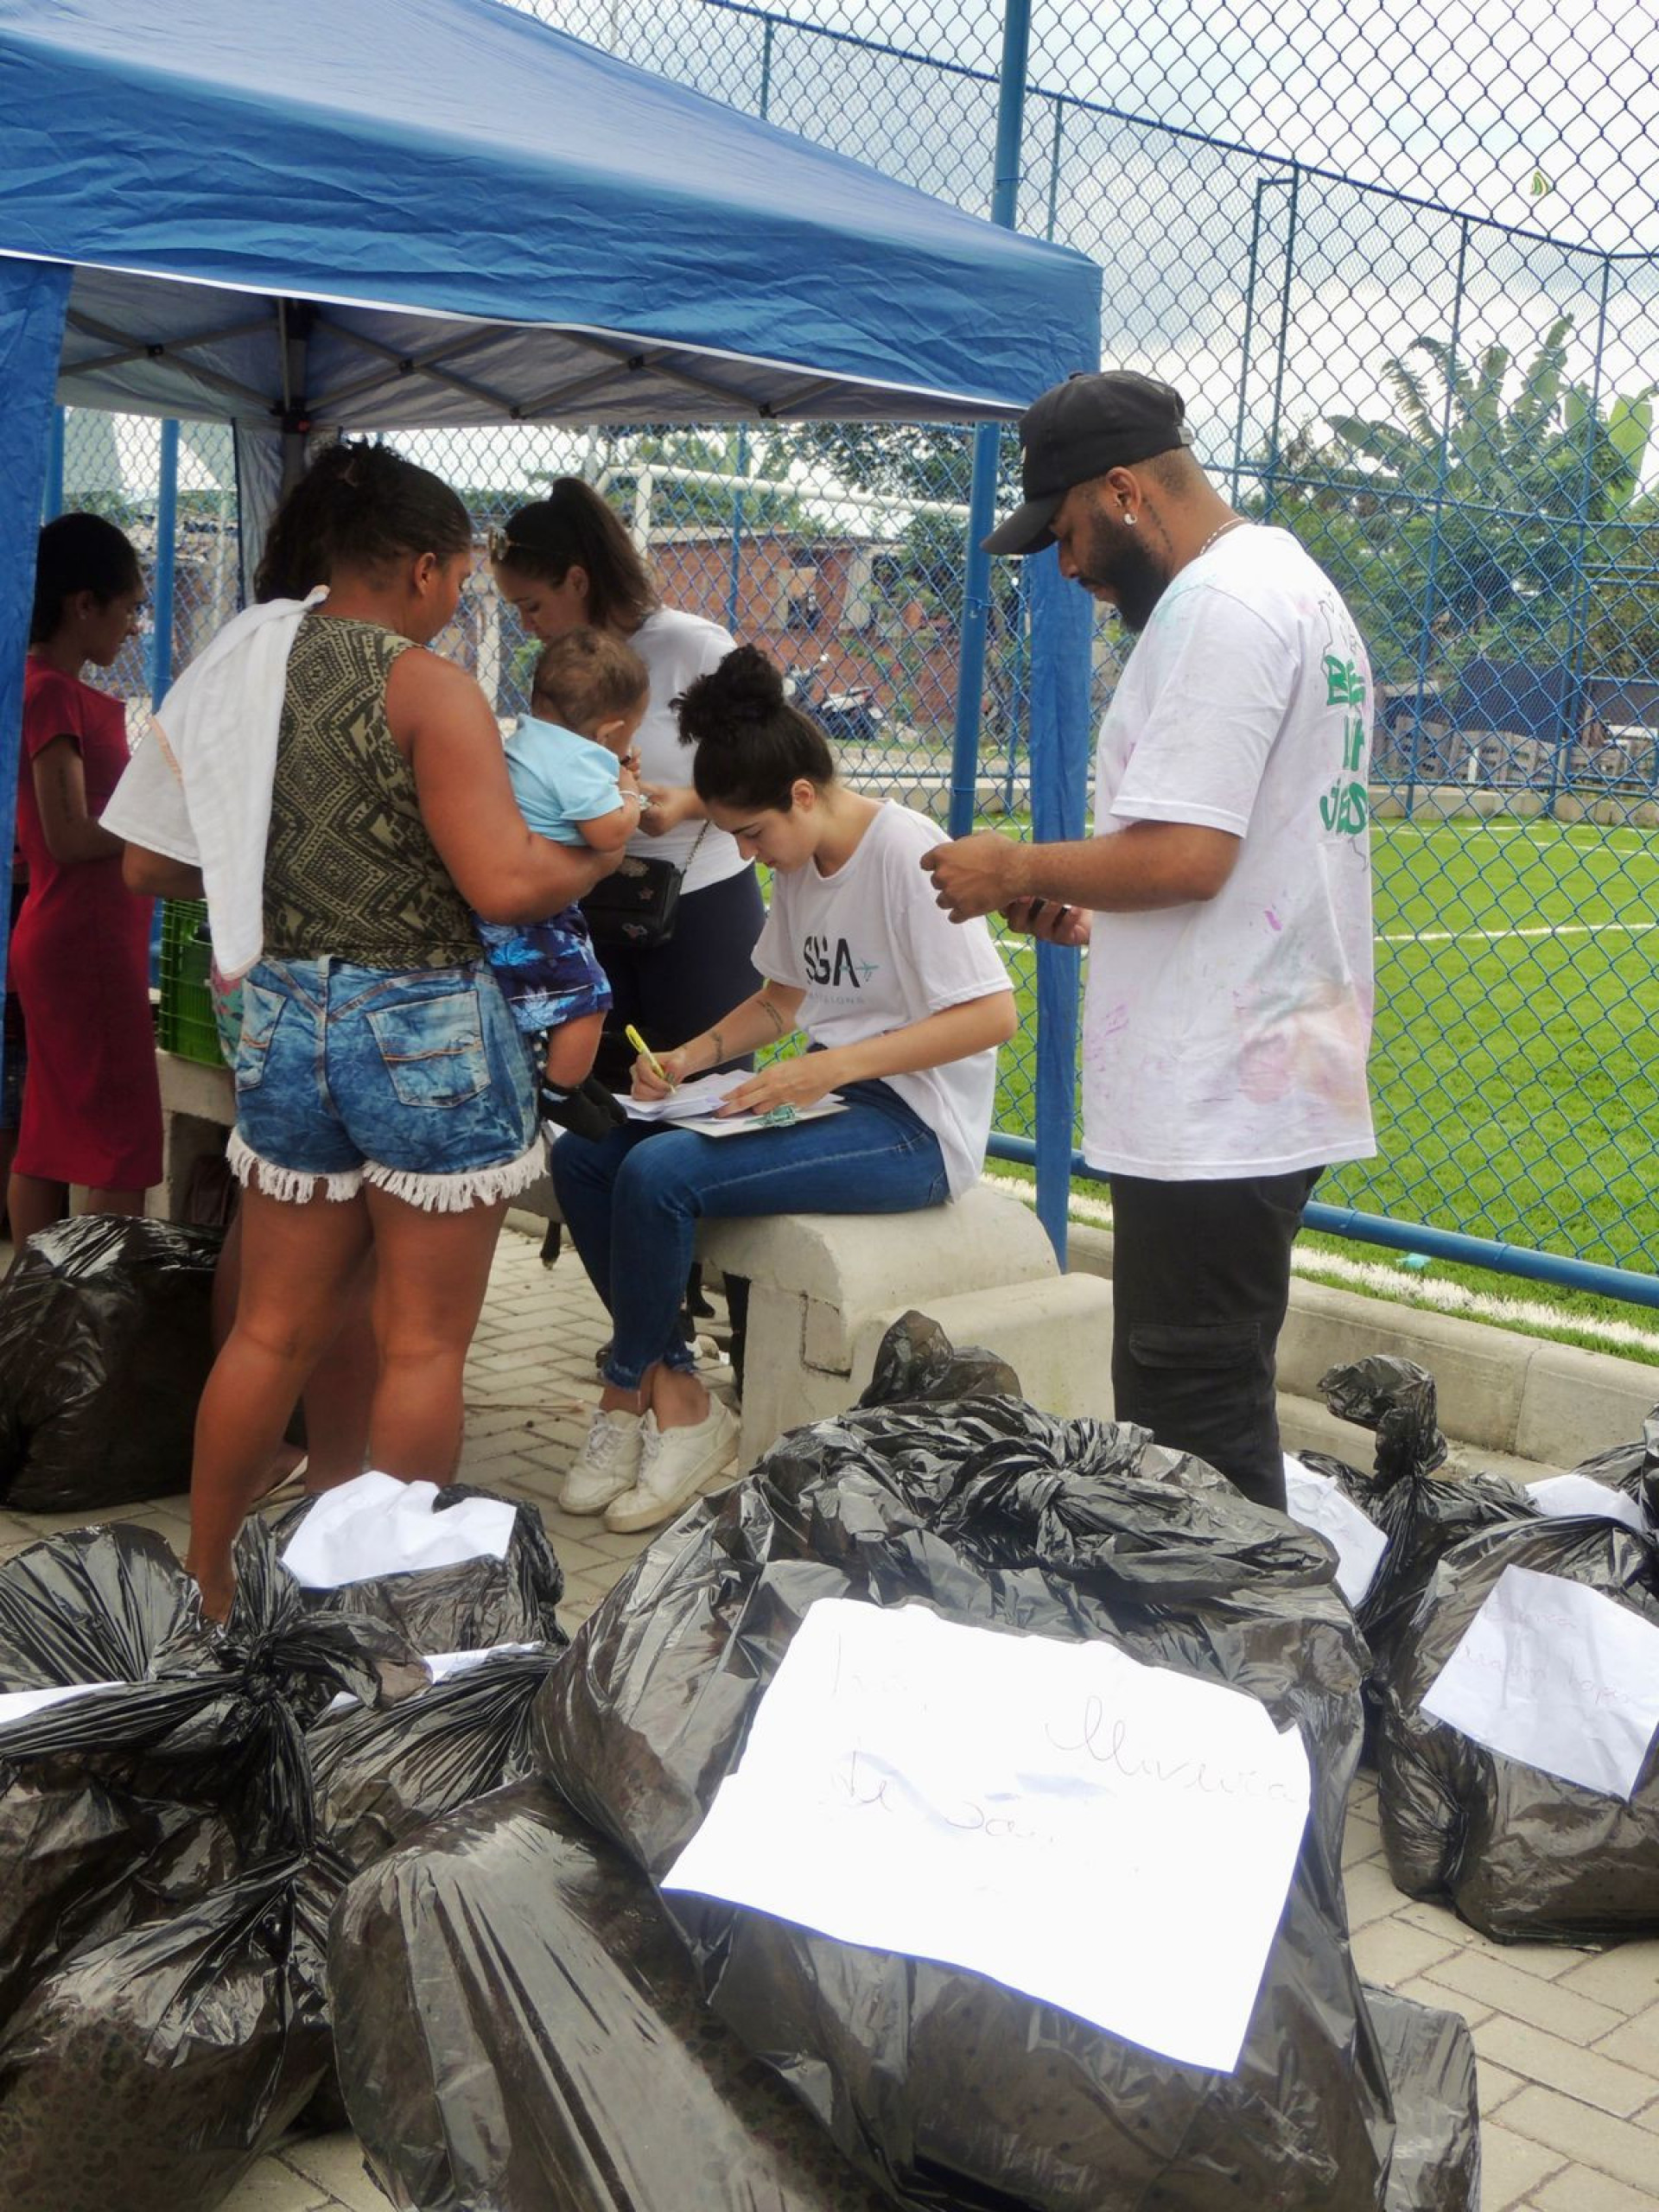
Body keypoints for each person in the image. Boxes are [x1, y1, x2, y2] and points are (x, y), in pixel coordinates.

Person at [108, 442, 618, 1618]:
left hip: (284, 1018)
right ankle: (379, 1615)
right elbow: (499, 884)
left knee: (272, 1331)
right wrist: (592, 854)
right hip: (429, 1030)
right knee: (420, 1348)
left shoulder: (233, 670)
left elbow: (146, 861)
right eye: (465, 584)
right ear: (428, 568)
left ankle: (207, 1593)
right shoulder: (425, 685)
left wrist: (287, 882)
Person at [922, 370, 1375, 1515]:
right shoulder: (1286, 587)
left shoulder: (1220, 609)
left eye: (1069, 532)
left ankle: (1242, 1665)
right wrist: (1085, 910)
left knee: (1190, 1411)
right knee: (1208, 1385)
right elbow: (1226, 862)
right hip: (1254, 1056)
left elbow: (1188, 856)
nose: (1067, 568)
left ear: (1123, 489)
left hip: (1222, 1087)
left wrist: (1018, 867)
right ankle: (1246, 1646)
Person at [550, 645, 1016, 1535]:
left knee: (660, 1176)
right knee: (589, 1156)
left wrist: (825, 1067)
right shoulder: (800, 866)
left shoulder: (905, 852)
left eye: (752, 833)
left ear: (804, 794)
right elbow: (780, 1000)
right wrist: (689, 1058)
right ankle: (678, 1394)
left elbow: (993, 1015)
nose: (746, 852)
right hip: (832, 1099)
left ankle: (627, 1398)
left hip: (916, 1130)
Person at [487, 481, 764, 1082]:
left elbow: (775, 766)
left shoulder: (692, 647)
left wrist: (691, 803)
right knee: (607, 1094)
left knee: (703, 1095)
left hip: (699, 903)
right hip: (594, 904)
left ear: (579, 581)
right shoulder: (563, 663)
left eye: (533, 605)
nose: (525, 623)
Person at [8, 514, 160, 1248]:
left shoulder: (41, 689)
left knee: (48, 1134)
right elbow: (68, 834)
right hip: (84, 943)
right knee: (121, 1143)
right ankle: (91, 1324)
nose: (134, 626)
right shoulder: (52, 695)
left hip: (69, 935)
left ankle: (35, 1316)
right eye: (128, 607)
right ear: (82, 605)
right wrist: (162, 826)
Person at [474, 627, 650, 1142]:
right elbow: (608, 831)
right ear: (608, 732)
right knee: (589, 997)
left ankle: (569, 1076)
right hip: (538, 910)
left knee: (561, 996)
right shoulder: (578, 759)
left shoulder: (527, 741)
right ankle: (560, 1093)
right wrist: (630, 790)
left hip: (516, 902)